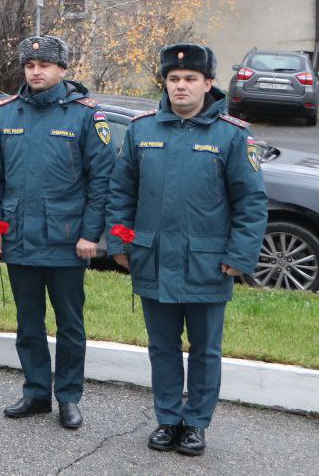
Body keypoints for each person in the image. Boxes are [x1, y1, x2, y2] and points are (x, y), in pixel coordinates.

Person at [107, 43, 267, 457]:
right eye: (174, 79)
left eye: (190, 79)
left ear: (208, 84)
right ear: (165, 82)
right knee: (161, 347)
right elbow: (122, 193)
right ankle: (167, 419)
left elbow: (251, 203)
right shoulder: (143, 130)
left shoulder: (232, 135)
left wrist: (241, 255)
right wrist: (121, 242)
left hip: (209, 263)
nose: (181, 86)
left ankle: (195, 423)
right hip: (153, 258)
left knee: (205, 349)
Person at [0, 35, 114, 429]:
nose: (36, 71)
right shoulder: (5, 114)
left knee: (70, 324)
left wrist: (92, 234)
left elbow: (101, 179)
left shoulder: (86, 116)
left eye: (44, 65)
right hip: (18, 237)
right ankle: (36, 391)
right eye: (29, 65)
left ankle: (68, 396)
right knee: (28, 322)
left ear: (62, 70)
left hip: (67, 240)